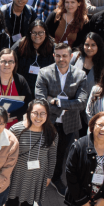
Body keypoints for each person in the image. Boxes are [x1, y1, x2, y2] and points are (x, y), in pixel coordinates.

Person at [35, 42, 90, 196]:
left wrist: (57, 102)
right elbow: (40, 100)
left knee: (61, 153)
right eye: (58, 55)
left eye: (64, 55)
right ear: (54, 56)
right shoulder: (44, 73)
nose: (61, 59)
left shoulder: (80, 75)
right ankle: (39, 178)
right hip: (48, 122)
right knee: (43, 150)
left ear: (71, 56)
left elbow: (82, 102)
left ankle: (56, 178)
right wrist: (67, 104)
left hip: (69, 124)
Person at [5, 99, 57, 206]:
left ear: (47, 115)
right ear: (29, 113)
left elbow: (52, 155)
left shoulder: (51, 132)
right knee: (12, 200)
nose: (38, 117)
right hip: (16, 173)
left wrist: (49, 175)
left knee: (29, 201)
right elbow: (6, 152)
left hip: (37, 174)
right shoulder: (16, 129)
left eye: (42, 114)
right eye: (35, 113)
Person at [13, 20, 54, 92]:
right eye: (34, 32)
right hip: (22, 87)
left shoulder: (52, 48)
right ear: (30, 33)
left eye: (41, 32)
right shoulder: (21, 44)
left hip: (43, 88)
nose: (37, 35)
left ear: (46, 33)